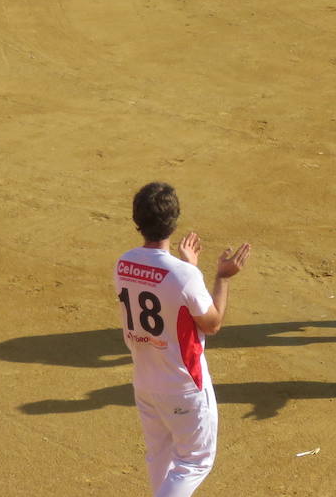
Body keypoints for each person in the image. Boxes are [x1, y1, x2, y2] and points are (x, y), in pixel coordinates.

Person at [115, 182, 250, 497]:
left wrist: (188, 268)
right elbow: (212, 323)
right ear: (173, 222)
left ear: (138, 220)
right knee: (194, 461)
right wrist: (221, 277)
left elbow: (167, 293)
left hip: (145, 381)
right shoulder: (184, 276)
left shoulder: (123, 263)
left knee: (159, 455)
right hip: (182, 384)